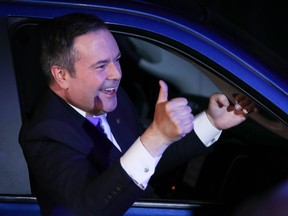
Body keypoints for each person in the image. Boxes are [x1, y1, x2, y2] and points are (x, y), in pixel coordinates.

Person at [18, 13, 253, 216]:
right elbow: (90, 207)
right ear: (61, 75)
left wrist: (211, 122)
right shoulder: (44, 133)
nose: (117, 74)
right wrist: (155, 136)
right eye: (101, 66)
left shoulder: (110, 99)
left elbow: (145, 158)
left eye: (117, 60)